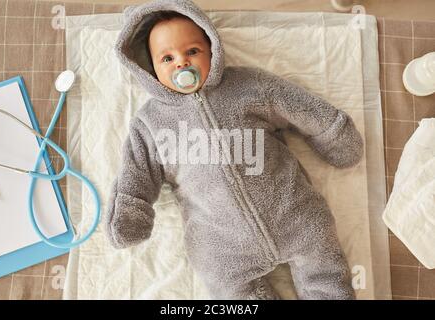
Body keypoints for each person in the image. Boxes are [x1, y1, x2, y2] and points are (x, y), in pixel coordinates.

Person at [105, 0, 363, 299]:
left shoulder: (247, 86)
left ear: (211, 49)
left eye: (192, 51)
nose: (181, 63)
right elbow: (136, 172)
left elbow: (296, 105)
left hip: (293, 212)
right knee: (226, 287)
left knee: (325, 267)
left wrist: (331, 130)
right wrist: (129, 211)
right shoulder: (150, 123)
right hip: (220, 242)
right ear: (149, 69)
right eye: (167, 58)